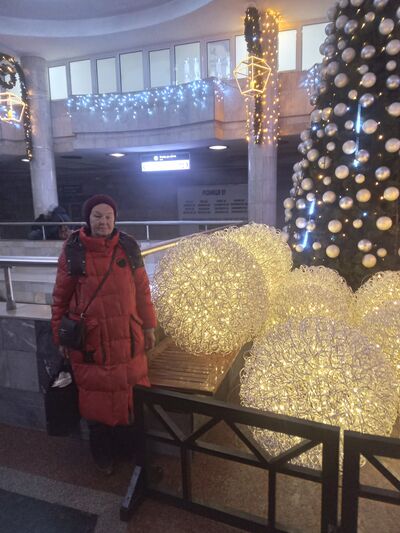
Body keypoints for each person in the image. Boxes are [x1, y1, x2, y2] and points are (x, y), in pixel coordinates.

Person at [51, 194, 156, 474]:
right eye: (97, 216)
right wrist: (60, 336)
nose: (103, 222)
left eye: (108, 217)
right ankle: (102, 456)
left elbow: (143, 292)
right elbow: (60, 297)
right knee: (95, 402)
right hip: (91, 342)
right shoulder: (74, 250)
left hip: (126, 338)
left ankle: (126, 452)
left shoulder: (128, 247)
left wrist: (149, 325)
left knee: (127, 397)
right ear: (88, 219)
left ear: (115, 219)